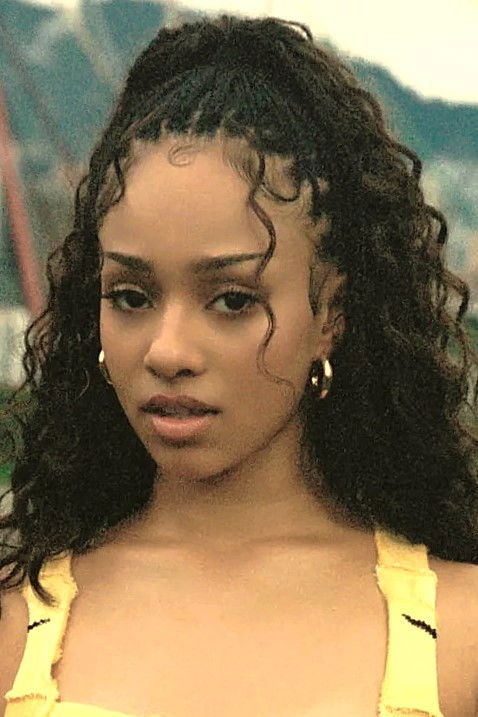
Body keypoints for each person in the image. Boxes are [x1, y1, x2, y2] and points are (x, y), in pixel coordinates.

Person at [1, 12, 478, 717]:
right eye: (130, 296)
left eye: (231, 300)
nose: (167, 350)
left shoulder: (460, 638)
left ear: (332, 314)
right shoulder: (16, 627)